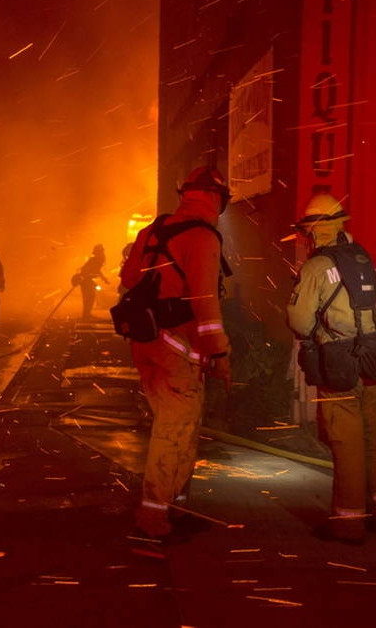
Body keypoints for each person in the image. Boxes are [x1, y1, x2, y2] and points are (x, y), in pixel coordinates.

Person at [119, 166, 232, 540]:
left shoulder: (152, 231)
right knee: (173, 431)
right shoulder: (202, 238)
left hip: (147, 344)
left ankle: (175, 507)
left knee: (180, 426)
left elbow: (129, 281)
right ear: (215, 197)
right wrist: (221, 355)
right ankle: (152, 519)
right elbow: (205, 304)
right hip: (176, 350)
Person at [286, 192, 376, 542]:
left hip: (340, 365)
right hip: (374, 358)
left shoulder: (317, 266)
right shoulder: (363, 258)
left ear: (314, 230)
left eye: (307, 231)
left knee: (346, 440)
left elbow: (300, 323)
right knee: (371, 437)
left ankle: (349, 522)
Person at [73, 244, 110, 320]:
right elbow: (87, 270)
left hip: (87, 280)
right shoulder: (94, 260)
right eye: (101, 252)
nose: (102, 253)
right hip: (85, 280)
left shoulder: (97, 260)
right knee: (89, 297)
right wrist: (101, 278)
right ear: (97, 252)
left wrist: (104, 278)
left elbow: (97, 271)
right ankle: (86, 315)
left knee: (90, 297)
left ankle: (86, 314)